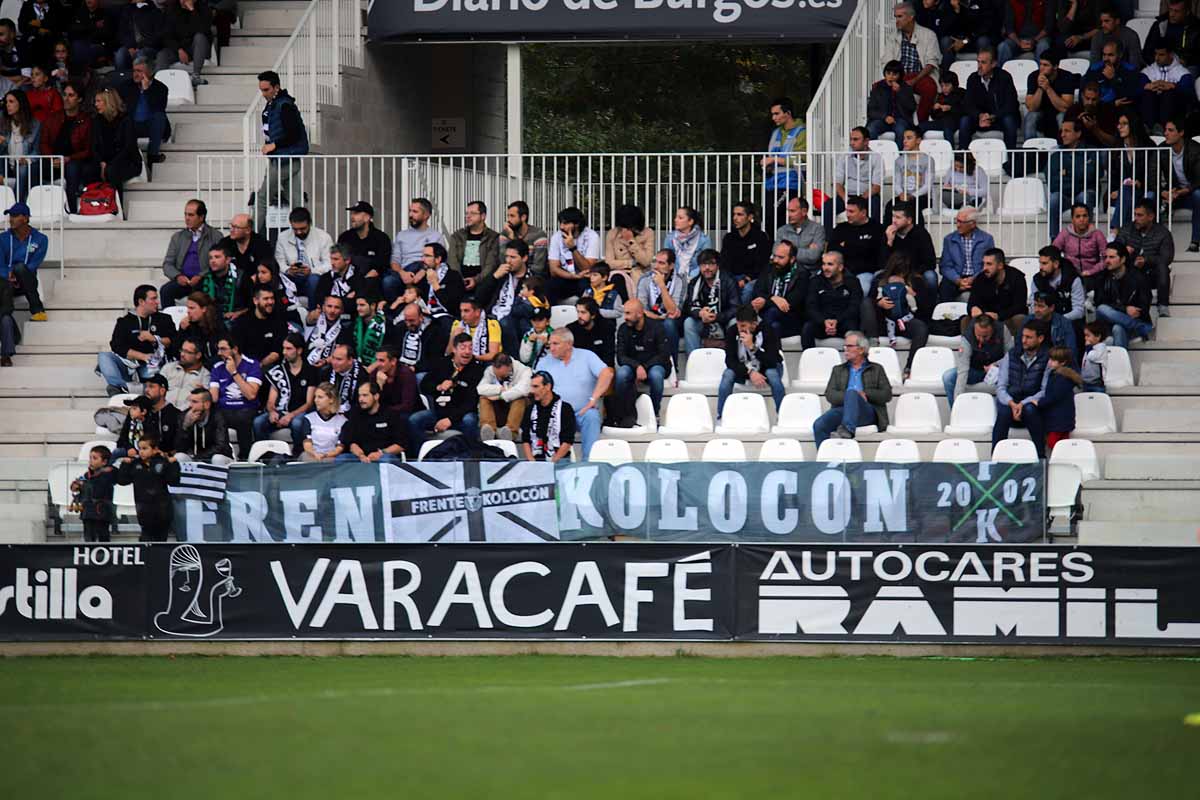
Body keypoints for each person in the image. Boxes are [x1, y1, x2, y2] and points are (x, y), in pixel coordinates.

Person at [538, 329, 612, 460]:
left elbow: (607, 374)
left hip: (581, 412)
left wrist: (593, 399)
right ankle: (555, 464)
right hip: (556, 413)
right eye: (550, 344)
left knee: (592, 416)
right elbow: (536, 386)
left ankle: (589, 463)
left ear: (569, 344)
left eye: (556, 344)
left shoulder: (587, 356)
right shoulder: (544, 362)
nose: (551, 348)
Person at [813, 331, 893, 446]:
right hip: (843, 410)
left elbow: (887, 394)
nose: (845, 349)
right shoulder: (838, 370)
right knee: (819, 425)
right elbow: (830, 394)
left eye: (849, 346)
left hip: (867, 411)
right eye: (844, 346)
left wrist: (865, 394)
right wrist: (850, 396)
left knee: (852, 393)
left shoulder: (876, 369)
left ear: (861, 349)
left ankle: (847, 430)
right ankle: (823, 459)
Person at [409, 333, 483, 453]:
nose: (467, 352)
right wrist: (438, 387)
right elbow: (424, 385)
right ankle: (423, 456)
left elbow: (471, 402)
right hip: (438, 412)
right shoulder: (442, 363)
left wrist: (450, 419)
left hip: (461, 415)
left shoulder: (477, 370)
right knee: (415, 420)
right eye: (463, 347)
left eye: (470, 348)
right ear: (454, 349)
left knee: (470, 420)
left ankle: (470, 457)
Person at [254, 70, 308, 231]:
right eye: (261, 90)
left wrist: (274, 145)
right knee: (297, 202)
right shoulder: (277, 104)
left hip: (283, 160)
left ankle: (252, 235)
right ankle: (303, 234)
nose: (263, 94)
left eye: (266, 90)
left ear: (276, 87)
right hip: (287, 159)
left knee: (263, 198)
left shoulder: (284, 105)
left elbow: (293, 133)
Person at [97, 284, 175, 395]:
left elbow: (173, 341)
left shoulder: (164, 319)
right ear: (141, 302)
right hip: (130, 362)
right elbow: (117, 346)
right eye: (153, 299)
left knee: (151, 373)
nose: (157, 302)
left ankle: (128, 389)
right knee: (104, 356)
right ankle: (124, 387)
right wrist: (142, 356)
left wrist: (154, 339)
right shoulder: (125, 322)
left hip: (153, 363)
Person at [991, 320, 1052, 459]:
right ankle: (995, 457)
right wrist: (1012, 403)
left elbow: (1044, 390)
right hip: (1011, 403)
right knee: (1003, 411)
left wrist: (1022, 404)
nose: (1024, 340)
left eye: (1029, 337)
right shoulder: (1011, 355)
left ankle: (1040, 457)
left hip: (1031, 406)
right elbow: (1001, 387)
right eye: (1023, 336)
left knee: (1030, 409)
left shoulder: (1048, 358)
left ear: (1040, 339)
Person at [864, 252, 933, 372]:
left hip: (906, 321)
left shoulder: (916, 281)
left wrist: (914, 296)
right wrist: (878, 303)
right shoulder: (880, 280)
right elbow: (868, 302)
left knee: (921, 328)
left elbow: (926, 310)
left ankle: (910, 367)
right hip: (883, 322)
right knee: (865, 303)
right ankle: (872, 348)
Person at [717, 305, 784, 420]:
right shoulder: (732, 332)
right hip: (744, 370)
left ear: (754, 324)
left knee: (772, 375)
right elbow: (730, 361)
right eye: (738, 324)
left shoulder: (768, 330)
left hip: (767, 368)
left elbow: (773, 361)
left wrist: (752, 347)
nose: (739, 329)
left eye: (743, 325)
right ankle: (721, 416)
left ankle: (782, 414)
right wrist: (750, 372)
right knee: (727, 375)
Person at [252, 333, 316, 452]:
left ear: (299, 350)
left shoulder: (310, 371)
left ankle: (297, 456)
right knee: (258, 422)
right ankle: (266, 456)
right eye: (283, 348)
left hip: (299, 413)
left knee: (297, 424)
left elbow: (309, 403)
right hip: (281, 411)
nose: (284, 352)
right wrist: (272, 412)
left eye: (289, 348)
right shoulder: (278, 371)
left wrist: (291, 416)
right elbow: (271, 401)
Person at [1107, 111, 1165, 232]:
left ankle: (1116, 231)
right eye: (1119, 124)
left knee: (1146, 196)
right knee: (1126, 189)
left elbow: (1153, 175)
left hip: (1144, 190)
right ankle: (1118, 232)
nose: (1119, 127)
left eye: (1124, 124)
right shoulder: (1116, 147)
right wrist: (1115, 189)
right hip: (1123, 192)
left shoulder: (1148, 146)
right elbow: (1113, 176)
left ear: (1133, 125)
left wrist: (1140, 183)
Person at [115, 433, 179, 542]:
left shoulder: (163, 463)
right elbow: (122, 481)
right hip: (144, 510)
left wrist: (174, 465)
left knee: (160, 541)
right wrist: (125, 465)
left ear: (155, 449)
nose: (141, 451)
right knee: (146, 540)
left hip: (162, 510)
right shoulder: (135, 464)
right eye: (139, 448)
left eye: (145, 448)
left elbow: (174, 481)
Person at [40, 81, 92, 214]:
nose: (66, 99)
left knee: (72, 168)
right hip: (53, 161)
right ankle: (24, 209)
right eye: (64, 95)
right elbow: (43, 143)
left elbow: (88, 149)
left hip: (74, 162)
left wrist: (69, 158)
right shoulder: (53, 118)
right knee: (31, 169)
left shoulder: (86, 120)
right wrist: (52, 158)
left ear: (79, 99)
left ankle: (73, 211)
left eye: (71, 95)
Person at [823, 127, 885, 237]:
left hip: (867, 196)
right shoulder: (845, 156)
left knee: (875, 205)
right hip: (847, 196)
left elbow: (876, 187)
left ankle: (874, 239)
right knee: (828, 206)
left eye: (856, 139)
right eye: (851, 139)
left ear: (866, 141)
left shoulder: (876, 158)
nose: (852, 143)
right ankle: (829, 242)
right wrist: (847, 199)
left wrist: (860, 199)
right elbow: (837, 183)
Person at [1117, 199, 1174, 318]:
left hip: (1151, 274)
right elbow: (1114, 251)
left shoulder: (1163, 233)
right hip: (1130, 273)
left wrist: (1146, 260)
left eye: (1140, 215)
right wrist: (1125, 253)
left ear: (1151, 216)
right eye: (1135, 214)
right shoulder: (1126, 229)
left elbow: (1166, 258)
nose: (1136, 218)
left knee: (1163, 268)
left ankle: (1163, 306)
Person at [883, 3, 940, 121]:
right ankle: (897, 122)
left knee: (930, 88)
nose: (896, 21)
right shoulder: (892, 37)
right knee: (878, 88)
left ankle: (921, 123)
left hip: (920, 75)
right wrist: (893, 79)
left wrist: (914, 80)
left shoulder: (928, 35)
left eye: (900, 17)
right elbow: (888, 61)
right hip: (899, 76)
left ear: (911, 17)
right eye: (895, 17)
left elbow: (931, 63)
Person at [160, 199, 221, 308]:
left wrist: (201, 276)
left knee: (211, 290)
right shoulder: (178, 237)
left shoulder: (215, 236)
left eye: (191, 215)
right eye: (186, 214)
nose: (187, 218)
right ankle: (169, 322)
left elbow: (219, 263)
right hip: (183, 280)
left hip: (204, 280)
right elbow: (167, 264)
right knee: (165, 291)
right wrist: (178, 276)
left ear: (201, 217)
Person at [614, 298, 670, 417]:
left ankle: (655, 413)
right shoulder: (623, 329)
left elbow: (664, 355)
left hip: (654, 364)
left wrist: (644, 367)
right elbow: (620, 356)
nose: (625, 317)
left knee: (656, 375)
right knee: (621, 374)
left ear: (639, 314)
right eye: (624, 313)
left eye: (628, 313)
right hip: (633, 366)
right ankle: (621, 412)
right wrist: (637, 366)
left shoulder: (657, 327)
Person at [477, 238, 533, 356]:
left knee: (505, 323)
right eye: (507, 256)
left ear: (524, 258)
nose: (508, 261)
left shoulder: (532, 279)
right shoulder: (500, 273)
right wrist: (494, 277)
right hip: (491, 316)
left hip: (514, 320)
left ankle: (514, 360)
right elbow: (479, 298)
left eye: (513, 257)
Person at [209, 334, 262, 456]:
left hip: (246, 408)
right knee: (216, 418)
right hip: (224, 409)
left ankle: (245, 457)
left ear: (235, 349)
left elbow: (251, 395)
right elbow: (214, 397)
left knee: (242, 419)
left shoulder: (252, 365)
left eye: (223, 349)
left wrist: (233, 372)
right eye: (218, 349)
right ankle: (223, 455)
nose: (219, 353)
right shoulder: (217, 367)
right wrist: (205, 393)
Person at [90, 88, 142, 211]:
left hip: (128, 162)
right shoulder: (97, 120)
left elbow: (128, 148)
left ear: (108, 102)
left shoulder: (125, 120)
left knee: (112, 171)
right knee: (88, 170)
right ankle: (92, 207)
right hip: (105, 162)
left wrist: (108, 165)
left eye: (99, 101)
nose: (96, 104)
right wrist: (102, 162)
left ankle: (116, 208)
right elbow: (94, 146)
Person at [959, 46, 1020, 150]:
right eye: (978, 62)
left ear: (993, 64)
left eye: (983, 63)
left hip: (999, 118)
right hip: (980, 119)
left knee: (1009, 121)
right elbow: (967, 104)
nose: (979, 66)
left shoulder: (1004, 77)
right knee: (965, 121)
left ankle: (1010, 160)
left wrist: (992, 116)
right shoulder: (973, 78)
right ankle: (962, 160)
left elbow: (1012, 104)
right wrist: (979, 115)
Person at [1094, 242, 1153, 347]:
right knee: (1102, 309)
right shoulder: (1101, 278)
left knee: (1118, 327)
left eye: (1112, 257)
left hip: (1137, 320)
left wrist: (1125, 312)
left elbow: (1144, 308)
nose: (1107, 260)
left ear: (1123, 259)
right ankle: (1138, 327)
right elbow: (1099, 302)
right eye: (1105, 257)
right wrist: (1124, 309)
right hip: (1111, 324)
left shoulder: (1139, 278)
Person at [1045, 119, 1096, 240]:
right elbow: (1053, 183)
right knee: (1054, 198)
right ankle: (1055, 241)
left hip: (1083, 193)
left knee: (1084, 196)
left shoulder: (1091, 152)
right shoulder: (1056, 155)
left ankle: (1085, 237)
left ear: (1078, 134)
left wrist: (1066, 173)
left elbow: (1091, 176)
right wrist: (1077, 176)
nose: (1062, 134)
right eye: (1062, 131)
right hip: (1065, 196)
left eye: (1067, 131)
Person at [119, 57, 170, 175]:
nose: (135, 74)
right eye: (134, 71)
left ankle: (152, 156)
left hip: (151, 126)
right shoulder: (125, 86)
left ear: (149, 73)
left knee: (158, 117)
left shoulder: (161, 88)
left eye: (139, 71)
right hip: (132, 125)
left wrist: (147, 90)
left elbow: (158, 109)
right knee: (125, 120)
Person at [943, 311, 1006, 406]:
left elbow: (1012, 356)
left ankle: (999, 416)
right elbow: (963, 370)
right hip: (975, 370)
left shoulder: (1002, 330)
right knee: (948, 377)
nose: (981, 339)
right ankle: (957, 414)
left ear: (992, 330)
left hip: (999, 371)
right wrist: (957, 402)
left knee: (1011, 377)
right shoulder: (967, 337)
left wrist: (997, 364)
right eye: (978, 336)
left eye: (985, 336)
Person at [682, 249, 738, 356]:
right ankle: (694, 362)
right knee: (689, 323)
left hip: (724, 320)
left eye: (711, 264)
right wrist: (699, 313)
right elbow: (687, 307)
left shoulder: (728, 281)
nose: (707, 268)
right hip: (703, 322)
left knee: (734, 323)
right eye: (703, 264)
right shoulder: (694, 283)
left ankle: (733, 360)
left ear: (717, 266)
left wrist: (717, 316)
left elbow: (736, 307)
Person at [803, 251, 862, 349]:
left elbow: (854, 307)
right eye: (824, 264)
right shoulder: (815, 281)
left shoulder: (853, 282)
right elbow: (811, 306)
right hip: (822, 323)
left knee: (853, 329)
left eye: (830, 264)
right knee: (807, 328)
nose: (825, 268)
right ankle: (809, 360)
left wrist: (837, 321)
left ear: (840, 267)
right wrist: (823, 321)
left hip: (844, 322)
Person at [275, 206, 332, 308]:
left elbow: (329, 264)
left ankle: (313, 314)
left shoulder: (323, 237)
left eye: (302, 229)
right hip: (291, 277)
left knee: (313, 279)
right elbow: (279, 262)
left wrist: (312, 271)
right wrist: (288, 270)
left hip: (314, 277)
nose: (299, 232)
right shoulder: (283, 237)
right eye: (295, 229)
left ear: (309, 223)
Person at [829, 195, 886, 295]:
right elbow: (832, 251)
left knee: (863, 290)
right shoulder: (841, 228)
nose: (847, 215)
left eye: (851, 211)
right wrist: (859, 246)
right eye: (847, 211)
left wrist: (846, 246)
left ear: (863, 213)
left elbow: (873, 253)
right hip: (842, 271)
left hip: (866, 272)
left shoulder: (877, 228)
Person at [0, 201, 47, 322]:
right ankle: (7, 323)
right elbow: (1, 264)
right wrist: (7, 275)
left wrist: (16, 275)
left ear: (26, 218)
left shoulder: (41, 239)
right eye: (10, 216)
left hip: (26, 281)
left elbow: (33, 265)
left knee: (21, 268)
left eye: (15, 216)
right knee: (5, 285)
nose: (11, 219)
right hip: (6, 282)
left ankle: (38, 311)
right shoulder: (2, 238)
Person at [336, 381, 404, 463]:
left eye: (365, 395)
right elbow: (350, 441)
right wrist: (360, 454)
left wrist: (381, 453)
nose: (361, 399)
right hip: (361, 457)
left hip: (383, 455)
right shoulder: (355, 413)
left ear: (376, 396)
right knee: (342, 459)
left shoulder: (391, 415)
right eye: (359, 395)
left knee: (386, 459)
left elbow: (400, 445)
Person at [967, 248, 1028, 340]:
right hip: (985, 319)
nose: (984, 268)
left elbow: (1020, 305)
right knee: (965, 320)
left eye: (989, 264)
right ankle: (972, 350)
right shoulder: (980, 278)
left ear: (1000, 265)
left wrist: (999, 315)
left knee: (1020, 319)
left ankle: (1017, 349)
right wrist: (973, 308)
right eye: (984, 263)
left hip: (1007, 317)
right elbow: (972, 302)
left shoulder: (1016, 278)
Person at [761, 96, 806, 220]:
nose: (773, 118)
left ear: (788, 113)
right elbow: (771, 156)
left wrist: (774, 160)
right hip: (771, 183)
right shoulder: (775, 133)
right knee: (769, 219)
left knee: (777, 217)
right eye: (772, 114)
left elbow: (801, 159)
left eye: (777, 113)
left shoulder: (802, 132)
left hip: (790, 183)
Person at [115, 376, 180, 461]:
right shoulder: (136, 411)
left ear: (162, 391)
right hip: (135, 453)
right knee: (117, 452)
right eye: (146, 387)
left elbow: (177, 444)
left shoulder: (174, 414)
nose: (146, 390)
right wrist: (129, 448)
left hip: (161, 457)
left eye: (151, 386)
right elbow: (122, 439)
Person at [752, 241, 806, 340]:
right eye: (774, 256)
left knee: (772, 312)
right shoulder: (769, 269)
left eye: (781, 257)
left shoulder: (802, 275)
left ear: (792, 259)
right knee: (774, 326)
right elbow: (757, 291)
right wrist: (773, 298)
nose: (776, 260)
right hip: (770, 317)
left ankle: (757, 339)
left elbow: (791, 303)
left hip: (791, 319)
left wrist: (766, 301)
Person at [938, 206, 994, 303]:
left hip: (978, 276)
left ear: (972, 224)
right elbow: (945, 266)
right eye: (957, 221)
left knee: (987, 284)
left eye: (961, 222)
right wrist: (958, 280)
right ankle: (945, 315)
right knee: (945, 286)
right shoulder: (949, 239)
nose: (958, 225)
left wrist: (974, 278)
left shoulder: (986, 239)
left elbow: (989, 264)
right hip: (956, 277)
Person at [720, 201, 772, 305]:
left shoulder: (760, 237)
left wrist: (746, 279)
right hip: (732, 278)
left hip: (753, 278)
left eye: (739, 215)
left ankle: (739, 316)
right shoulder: (729, 238)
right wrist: (732, 280)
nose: (735, 218)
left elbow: (762, 264)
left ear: (749, 217)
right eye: (734, 214)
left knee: (748, 289)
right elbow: (724, 263)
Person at [638, 248, 684, 362]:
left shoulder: (679, 281)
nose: (656, 267)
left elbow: (673, 311)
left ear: (671, 266)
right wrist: (658, 317)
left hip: (672, 320)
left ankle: (672, 363)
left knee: (669, 323)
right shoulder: (644, 279)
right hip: (650, 317)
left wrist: (662, 286)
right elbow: (641, 309)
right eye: (655, 262)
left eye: (661, 263)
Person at [547, 206, 600, 303]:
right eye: (561, 223)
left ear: (577, 224)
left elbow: (588, 268)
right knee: (550, 286)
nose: (562, 227)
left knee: (586, 286)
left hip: (585, 279)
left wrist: (573, 248)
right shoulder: (557, 237)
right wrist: (573, 276)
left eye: (566, 223)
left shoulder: (592, 236)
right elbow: (553, 270)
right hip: (565, 276)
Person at [521, 370, 576, 462]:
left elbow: (568, 440)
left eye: (536, 387)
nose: (532, 391)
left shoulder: (565, 409)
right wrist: (531, 461)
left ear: (548, 387)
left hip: (559, 460)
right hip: (535, 461)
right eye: (531, 387)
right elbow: (525, 439)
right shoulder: (530, 409)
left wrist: (552, 463)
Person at [1163, 116, 1200, 252]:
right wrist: (1164, 192)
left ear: (1181, 133)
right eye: (1165, 130)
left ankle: (1195, 241)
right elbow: (1151, 175)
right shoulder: (1162, 149)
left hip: (1189, 193)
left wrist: (1180, 192)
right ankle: (1153, 245)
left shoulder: (1195, 149)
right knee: (1151, 196)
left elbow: (1198, 180)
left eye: (1170, 130)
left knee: (1198, 195)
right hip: (1171, 193)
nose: (1166, 133)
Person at [1024, 50, 1079, 141]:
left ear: (1055, 66)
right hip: (1040, 111)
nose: (1041, 68)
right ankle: (1030, 152)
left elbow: (1066, 107)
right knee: (1031, 117)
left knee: (1063, 116)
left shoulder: (1066, 77)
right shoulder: (1033, 76)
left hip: (1058, 111)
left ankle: (1063, 150)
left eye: (1046, 65)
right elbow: (1031, 107)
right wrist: (1041, 88)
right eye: (1040, 64)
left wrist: (1048, 88)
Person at [886, 128, 936, 225]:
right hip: (904, 195)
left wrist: (913, 195)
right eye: (904, 138)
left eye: (909, 138)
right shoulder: (899, 160)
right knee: (890, 205)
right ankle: (888, 235)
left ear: (918, 140)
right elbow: (897, 182)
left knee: (913, 206)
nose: (905, 141)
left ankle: (919, 235)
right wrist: (901, 193)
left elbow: (928, 185)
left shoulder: (928, 160)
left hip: (922, 196)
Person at [1053, 203, 1108, 291]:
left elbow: (1106, 258)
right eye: (1078, 216)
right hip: (1070, 274)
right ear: (1072, 219)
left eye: (1084, 216)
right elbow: (1053, 252)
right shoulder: (1065, 234)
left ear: (1089, 218)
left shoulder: (1097, 234)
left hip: (1093, 275)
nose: (1081, 219)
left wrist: (1091, 271)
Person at [218, 213, 274, 298]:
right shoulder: (225, 243)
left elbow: (266, 267)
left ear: (248, 230)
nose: (231, 230)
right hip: (230, 284)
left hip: (255, 285)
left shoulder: (261, 244)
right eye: (231, 226)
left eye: (236, 227)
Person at [477, 352, 531, 442]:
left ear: (509, 366)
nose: (499, 378)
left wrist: (501, 396)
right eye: (497, 375)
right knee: (484, 397)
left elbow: (523, 390)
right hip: (498, 406)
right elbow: (480, 388)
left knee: (520, 398)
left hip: (517, 406)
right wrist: (500, 389)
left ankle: (511, 432)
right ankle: (489, 430)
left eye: (502, 375)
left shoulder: (524, 371)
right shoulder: (490, 370)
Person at [447, 200, 500, 290]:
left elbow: (491, 265)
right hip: (459, 283)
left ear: (483, 216)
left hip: (484, 283)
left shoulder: (493, 237)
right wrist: (460, 280)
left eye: (473, 213)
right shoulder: (457, 236)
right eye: (466, 213)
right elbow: (452, 261)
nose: (468, 216)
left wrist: (476, 280)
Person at [1039, 345, 1082, 454]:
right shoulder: (1062, 377)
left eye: (1053, 360)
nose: (1049, 362)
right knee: (1063, 443)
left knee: (1052, 442)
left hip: (1058, 419)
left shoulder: (1060, 378)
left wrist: (1039, 402)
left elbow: (1053, 397)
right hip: (1064, 419)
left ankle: (1061, 459)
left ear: (1062, 362)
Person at [881, 201, 936, 285]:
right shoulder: (889, 233)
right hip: (893, 273)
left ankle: (930, 298)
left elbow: (930, 263)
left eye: (898, 217)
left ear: (909, 220)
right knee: (876, 276)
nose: (894, 221)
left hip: (915, 272)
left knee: (930, 276)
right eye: (893, 216)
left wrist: (912, 274)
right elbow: (882, 263)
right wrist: (889, 242)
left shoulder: (921, 234)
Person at [1140, 44, 1194, 130]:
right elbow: (1138, 88)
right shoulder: (1148, 71)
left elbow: (1188, 95)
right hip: (1152, 110)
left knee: (1169, 94)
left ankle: (1165, 129)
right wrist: (1148, 86)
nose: (1157, 58)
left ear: (1171, 54)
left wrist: (1174, 87)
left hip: (1174, 113)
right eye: (1155, 54)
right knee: (1147, 93)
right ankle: (1149, 129)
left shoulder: (1183, 73)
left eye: (1161, 55)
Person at [0, 90, 41, 202]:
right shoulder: (3, 123)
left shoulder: (35, 124)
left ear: (21, 103)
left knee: (22, 168)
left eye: (11, 101)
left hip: (30, 167)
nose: (7, 105)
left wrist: (27, 159)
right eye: (6, 102)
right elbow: (2, 153)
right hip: (9, 167)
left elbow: (37, 151)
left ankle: (17, 205)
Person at [173, 386, 232, 464]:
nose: (190, 406)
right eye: (190, 401)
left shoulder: (218, 417)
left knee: (217, 458)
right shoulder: (185, 416)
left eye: (195, 402)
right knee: (179, 456)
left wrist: (199, 457)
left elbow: (220, 446)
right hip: (194, 458)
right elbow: (178, 447)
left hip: (216, 458)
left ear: (207, 404)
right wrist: (185, 427)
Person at [1032, 244, 1086, 329]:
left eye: (1044, 263)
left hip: (1069, 322)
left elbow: (1079, 311)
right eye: (1040, 263)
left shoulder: (1073, 279)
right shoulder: (1037, 279)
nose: (1041, 267)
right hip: (1045, 320)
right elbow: (1033, 304)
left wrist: (1059, 320)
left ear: (1056, 264)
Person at [392, 301, 444, 384]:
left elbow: (434, 359)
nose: (408, 324)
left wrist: (415, 368)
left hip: (421, 370)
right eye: (406, 320)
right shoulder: (400, 327)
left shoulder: (434, 331)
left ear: (421, 317)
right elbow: (394, 349)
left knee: (417, 378)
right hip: (400, 366)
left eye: (412, 321)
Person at [72, 445, 116, 543]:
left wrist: (86, 483)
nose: (91, 461)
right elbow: (79, 487)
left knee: (103, 536)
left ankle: (103, 555)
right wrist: (76, 486)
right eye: (90, 458)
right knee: (88, 537)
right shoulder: (86, 475)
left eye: (95, 458)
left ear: (104, 462)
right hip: (88, 511)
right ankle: (89, 554)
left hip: (102, 512)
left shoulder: (109, 473)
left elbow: (100, 488)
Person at [337, 200, 391, 279]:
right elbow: (340, 263)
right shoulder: (345, 237)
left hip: (373, 280)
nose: (352, 217)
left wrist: (362, 282)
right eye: (352, 213)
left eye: (356, 213)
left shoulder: (381, 238)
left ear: (367, 218)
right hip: (349, 280)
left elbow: (381, 266)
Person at [867, 60, 918, 142]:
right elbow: (871, 110)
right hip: (882, 119)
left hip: (900, 119)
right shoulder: (877, 87)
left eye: (894, 74)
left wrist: (900, 92)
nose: (891, 77)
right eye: (888, 73)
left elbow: (911, 107)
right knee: (871, 129)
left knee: (901, 130)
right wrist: (884, 117)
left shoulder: (906, 88)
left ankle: (899, 154)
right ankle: (872, 154)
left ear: (900, 75)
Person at [164, 0, 211, 87]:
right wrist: (179, 50)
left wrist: (192, 10)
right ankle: (160, 82)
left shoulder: (203, 7)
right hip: (178, 49)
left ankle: (196, 76)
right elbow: (167, 35)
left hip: (196, 48)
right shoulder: (172, 9)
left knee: (199, 37)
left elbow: (203, 30)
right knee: (162, 55)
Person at [310, 245, 362, 321]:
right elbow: (320, 301)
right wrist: (345, 299)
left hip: (350, 319)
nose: (332, 263)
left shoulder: (358, 277)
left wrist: (330, 300)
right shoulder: (325, 278)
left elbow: (356, 305)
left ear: (347, 260)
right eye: (331, 259)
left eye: (336, 259)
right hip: (327, 319)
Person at [1141, 0, 1200, 68]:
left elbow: (1197, 56)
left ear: (1187, 12)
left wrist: (1186, 61)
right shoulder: (1160, 24)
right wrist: (1158, 60)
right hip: (1159, 64)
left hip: (1186, 66)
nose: (1172, 14)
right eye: (1170, 10)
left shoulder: (1196, 28)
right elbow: (1147, 51)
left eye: (1176, 11)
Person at [604, 204, 654, 283]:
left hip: (640, 273)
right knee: (617, 279)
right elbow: (609, 262)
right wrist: (631, 263)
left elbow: (646, 261)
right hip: (619, 273)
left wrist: (631, 241)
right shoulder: (612, 234)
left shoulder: (648, 233)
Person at [366, 345, 418, 421]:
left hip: (407, 413)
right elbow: (371, 401)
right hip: (385, 411)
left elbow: (407, 405)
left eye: (381, 360)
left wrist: (383, 411)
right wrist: (379, 385)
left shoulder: (406, 374)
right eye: (376, 360)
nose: (377, 364)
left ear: (393, 361)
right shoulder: (375, 373)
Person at [1084, 40, 1142, 107]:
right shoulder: (1094, 68)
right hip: (1099, 108)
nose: (1106, 59)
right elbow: (1085, 95)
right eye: (1104, 54)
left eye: (1110, 55)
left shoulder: (1130, 70)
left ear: (1120, 55)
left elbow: (1129, 97)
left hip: (1122, 109)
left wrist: (1114, 78)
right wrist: (1111, 104)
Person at [774, 195, 824, 274]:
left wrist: (787, 253)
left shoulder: (817, 229)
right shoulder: (782, 231)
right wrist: (806, 249)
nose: (789, 215)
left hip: (810, 276)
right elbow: (775, 253)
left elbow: (814, 256)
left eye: (792, 211)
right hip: (786, 274)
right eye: (788, 211)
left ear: (804, 211)